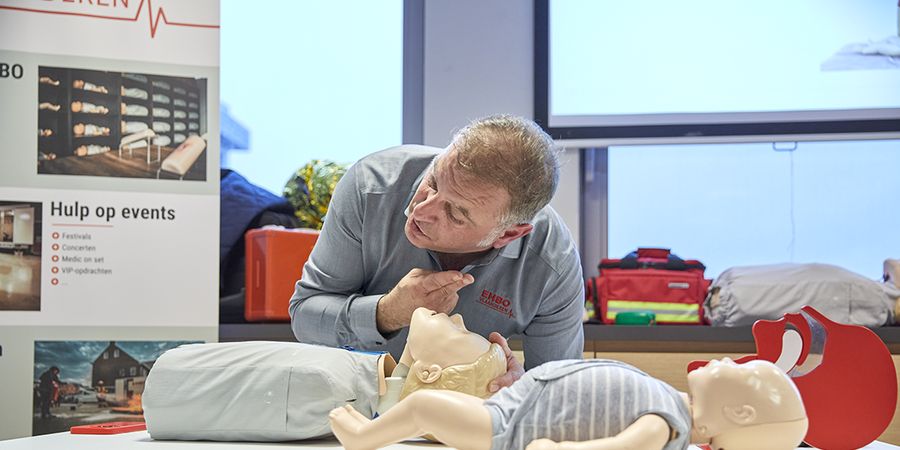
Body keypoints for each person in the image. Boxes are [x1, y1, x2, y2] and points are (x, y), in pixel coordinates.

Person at [290, 115, 584, 391]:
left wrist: (523, 388)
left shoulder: (550, 263)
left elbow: (559, 392)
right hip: (349, 399)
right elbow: (305, 316)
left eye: (455, 214)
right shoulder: (369, 187)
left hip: (462, 425)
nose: (421, 210)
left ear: (508, 235)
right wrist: (388, 313)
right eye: (432, 183)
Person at [142, 307, 503, 441]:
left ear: (428, 372)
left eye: (459, 332)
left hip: (168, 387)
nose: (458, 318)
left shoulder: (328, 388)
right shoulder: (350, 378)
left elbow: (192, 386)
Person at [329, 358, 808, 450]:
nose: (728, 359)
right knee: (436, 407)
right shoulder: (669, 399)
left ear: (739, 414)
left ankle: (362, 438)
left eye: (741, 371)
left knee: (428, 405)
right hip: (516, 404)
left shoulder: (666, 425)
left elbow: (625, 447)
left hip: (509, 428)